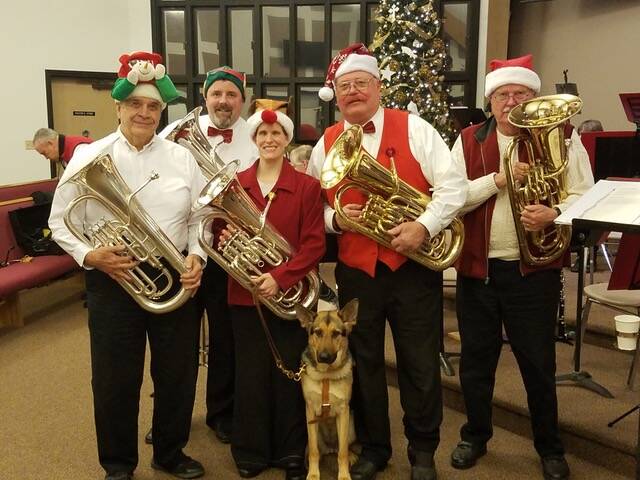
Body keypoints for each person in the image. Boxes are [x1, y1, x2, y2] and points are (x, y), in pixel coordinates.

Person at [308, 43, 468, 480]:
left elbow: (453, 186)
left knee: (419, 362)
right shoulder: (326, 142)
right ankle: (375, 447)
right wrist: (336, 219)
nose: (353, 92)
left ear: (378, 86)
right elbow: (311, 206)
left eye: (361, 83)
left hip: (412, 268)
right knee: (364, 364)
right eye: (345, 86)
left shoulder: (414, 127)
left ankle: (423, 451)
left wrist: (425, 226)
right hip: (358, 271)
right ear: (336, 95)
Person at [49, 51, 208, 480]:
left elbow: (200, 217)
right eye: (135, 104)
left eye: (152, 105)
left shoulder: (181, 158)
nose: (144, 112)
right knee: (114, 379)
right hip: (113, 276)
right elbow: (60, 221)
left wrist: (197, 255)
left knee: (177, 373)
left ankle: (170, 453)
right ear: (118, 107)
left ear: (160, 111)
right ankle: (118, 465)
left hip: (173, 274)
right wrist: (89, 256)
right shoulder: (89, 156)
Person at [449, 54, 594, 480]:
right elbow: (451, 199)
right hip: (479, 270)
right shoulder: (468, 140)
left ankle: (549, 447)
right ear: (490, 101)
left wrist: (555, 214)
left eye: (520, 94)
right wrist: (499, 180)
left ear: (534, 98)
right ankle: (475, 436)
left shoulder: (563, 135)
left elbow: (586, 194)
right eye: (502, 94)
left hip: (534, 271)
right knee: (476, 362)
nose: (511, 101)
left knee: (537, 364)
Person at [221, 106, 325, 480]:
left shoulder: (307, 187)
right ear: (254, 140)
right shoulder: (236, 185)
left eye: (276, 134)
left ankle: (290, 450)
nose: (269, 140)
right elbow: (219, 232)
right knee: (249, 373)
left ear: (287, 140)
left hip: (291, 294)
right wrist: (225, 238)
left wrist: (280, 277)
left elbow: (314, 245)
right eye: (263, 135)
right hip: (245, 292)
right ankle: (250, 449)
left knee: (289, 371)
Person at [159, 66, 259, 445]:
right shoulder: (175, 133)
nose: (223, 101)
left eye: (231, 95)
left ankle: (222, 413)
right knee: (176, 343)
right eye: (216, 93)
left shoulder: (255, 137)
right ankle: (172, 421)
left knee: (224, 339)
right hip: (181, 251)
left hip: (227, 253)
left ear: (242, 100)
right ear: (205, 97)